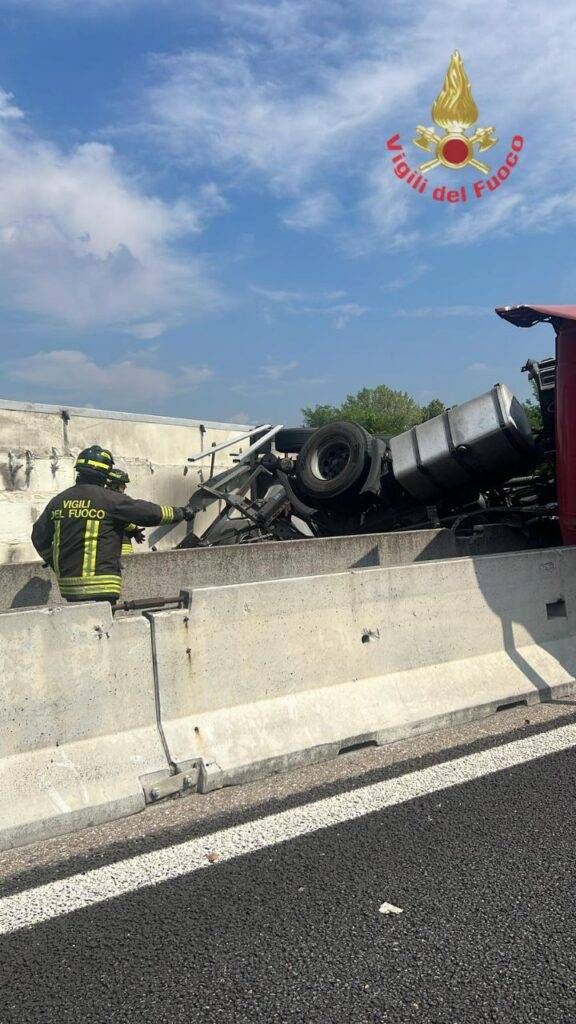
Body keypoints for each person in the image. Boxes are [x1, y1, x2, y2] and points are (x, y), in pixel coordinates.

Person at [31, 444, 192, 604]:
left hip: (69, 588)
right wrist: (181, 513)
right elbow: (149, 513)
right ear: (104, 475)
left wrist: (55, 563)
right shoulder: (110, 499)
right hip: (104, 586)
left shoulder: (59, 501)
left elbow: (38, 536)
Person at [106, 467, 145, 556]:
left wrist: (134, 531)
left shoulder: (105, 499)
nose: (125, 487)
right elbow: (123, 521)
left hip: (122, 549)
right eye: (122, 485)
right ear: (114, 485)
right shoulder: (114, 501)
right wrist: (135, 530)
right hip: (116, 551)